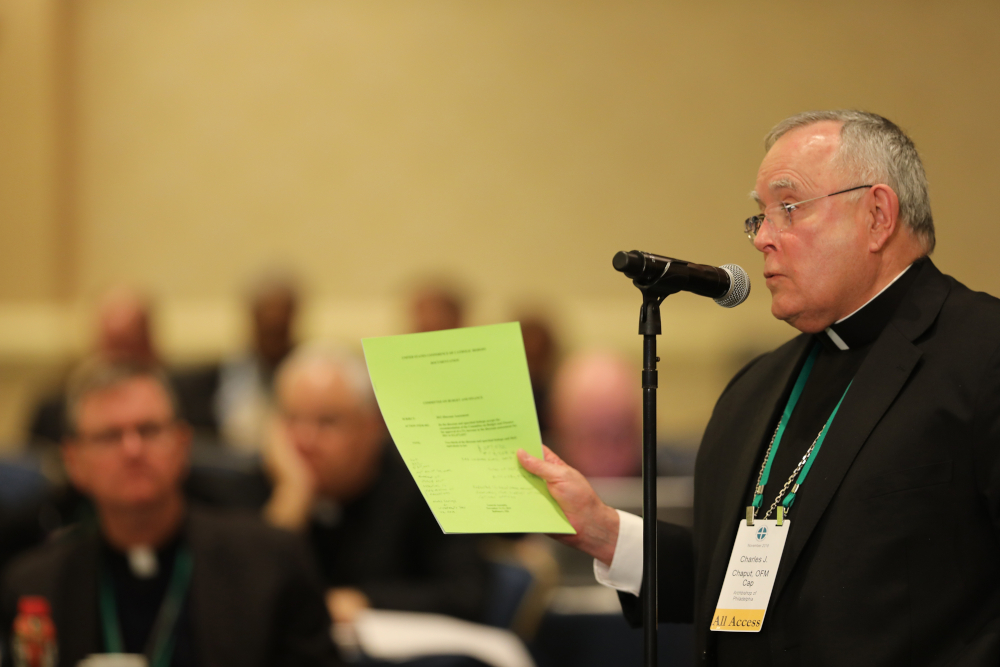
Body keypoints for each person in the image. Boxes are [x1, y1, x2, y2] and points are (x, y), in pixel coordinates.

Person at [519, 110, 1000, 665]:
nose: (763, 238)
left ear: (877, 215)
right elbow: (742, 577)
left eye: (788, 209)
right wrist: (603, 531)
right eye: (759, 216)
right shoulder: (754, 390)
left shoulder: (983, 356)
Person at [1, 358, 341, 666]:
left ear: (182, 444)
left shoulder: (271, 563)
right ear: (74, 462)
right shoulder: (35, 584)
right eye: (109, 436)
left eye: (149, 430)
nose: (132, 450)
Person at [264, 345, 488, 625]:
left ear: (372, 427)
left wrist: (366, 601)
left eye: (327, 422)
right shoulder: (261, 485)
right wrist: (292, 495)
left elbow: (466, 596)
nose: (305, 440)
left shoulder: (427, 486)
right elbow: (247, 601)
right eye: (292, 419)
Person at [547, 350, 640, 477]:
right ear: (558, 429)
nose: (606, 457)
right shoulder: (532, 483)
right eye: (591, 438)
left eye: (619, 437)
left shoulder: (669, 485)